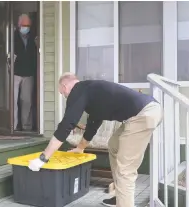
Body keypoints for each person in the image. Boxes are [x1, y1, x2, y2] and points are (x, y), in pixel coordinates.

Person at [28, 72, 163, 207]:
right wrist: (81, 147)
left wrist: (43, 158)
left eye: (62, 93)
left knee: (125, 171)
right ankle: (121, 197)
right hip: (145, 113)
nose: (64, 96)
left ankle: (125, 203)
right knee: (114, 145)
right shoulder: (91, 93)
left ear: (64, 86)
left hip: (144, 115)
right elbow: (93, 124)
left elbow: (66, 124)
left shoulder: (78, 90)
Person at [13, 14, 37, 131]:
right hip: (14, 72)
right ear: (19, 25)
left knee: (26, 101)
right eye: (23, 25)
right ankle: (13, 125)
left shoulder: (34, 37)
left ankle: (26, 126)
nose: (25, 27)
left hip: (29, 73)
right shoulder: (12, 36)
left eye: (28, 25)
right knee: (13, 100)